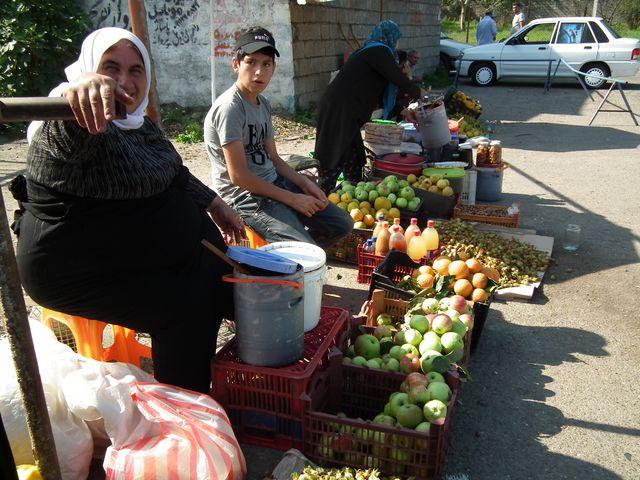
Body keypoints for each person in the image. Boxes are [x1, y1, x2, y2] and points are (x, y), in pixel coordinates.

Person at [13, 28, 245, 394]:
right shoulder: (77, 125)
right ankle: (185, 410)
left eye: (136, 70)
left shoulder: (140, 126)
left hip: (121, 250)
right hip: (72, 266)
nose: (124, 81)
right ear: (88, 69)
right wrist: (75, 95)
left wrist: (215, 205)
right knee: (186, 307)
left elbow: (173, 171)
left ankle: (236, 369)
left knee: (220, 274)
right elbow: (67, 136)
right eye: (109, 68)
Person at [204, 27, 353, 247]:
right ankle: (298, 257)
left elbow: (273, 157)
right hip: (245, 198)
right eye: (251, 62)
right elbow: (238, 177)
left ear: (273, 68)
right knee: (304, 251)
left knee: (342, 224)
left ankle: (297, 258)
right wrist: (293, 199)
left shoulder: (262, 103)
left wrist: (305, 185)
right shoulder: (230, 108)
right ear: (236, 64)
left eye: (266, 64)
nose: (259, 72)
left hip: (273, 184)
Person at [314, 20, 424, 192]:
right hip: (338, 109)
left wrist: (401, 110)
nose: (397, 44)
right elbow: (397, 77)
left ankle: (354, 194)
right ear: (389, 36)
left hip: (346, 111)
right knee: (333, 155)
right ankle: (319, 201)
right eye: (396, 39)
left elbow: (380, 93)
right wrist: (418, 92)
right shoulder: (377, 50)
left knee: (355, 157)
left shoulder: (375, 53)